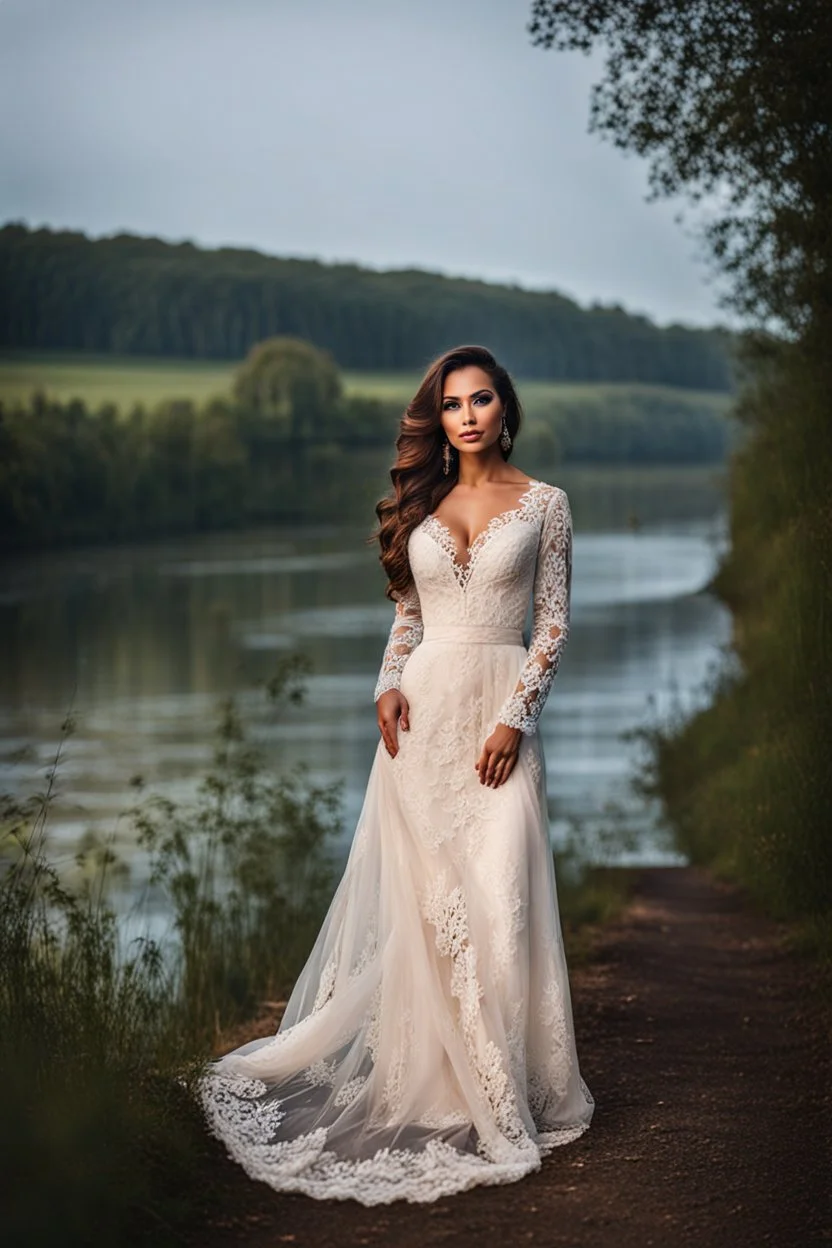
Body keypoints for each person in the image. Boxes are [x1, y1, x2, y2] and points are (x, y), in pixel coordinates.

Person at [196, 344, 595, 1204]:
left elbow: (554, 625)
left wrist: (514, 718)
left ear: (505, 410)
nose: (468, 415)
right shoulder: (422, 500)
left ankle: (503, 1087)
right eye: (453, 404)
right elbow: (408, 617)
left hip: (496, 712)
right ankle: (443, 1083)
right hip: (421, 722)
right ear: (439, 418)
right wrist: (383, 686)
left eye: (482, 400)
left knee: (500, 895)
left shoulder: (547, 505)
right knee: (430, 906)